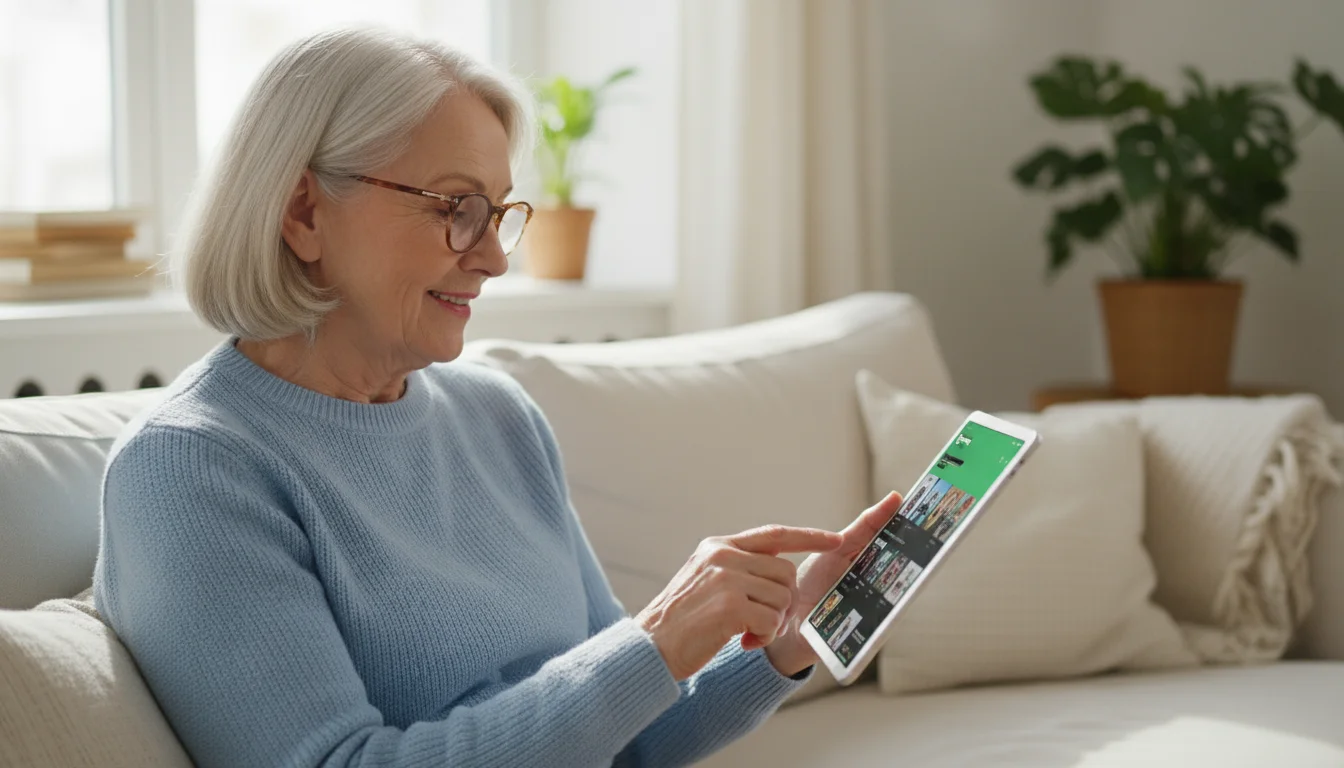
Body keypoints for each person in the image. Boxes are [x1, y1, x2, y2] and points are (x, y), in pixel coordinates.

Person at [91, 27, 903, 768]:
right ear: (304, 211)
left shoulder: (496, 415)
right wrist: (654, 640)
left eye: (498, 213)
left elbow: (629, 738)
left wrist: (785, 644)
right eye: (455, 208)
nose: (493, 259)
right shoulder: (191, 470)